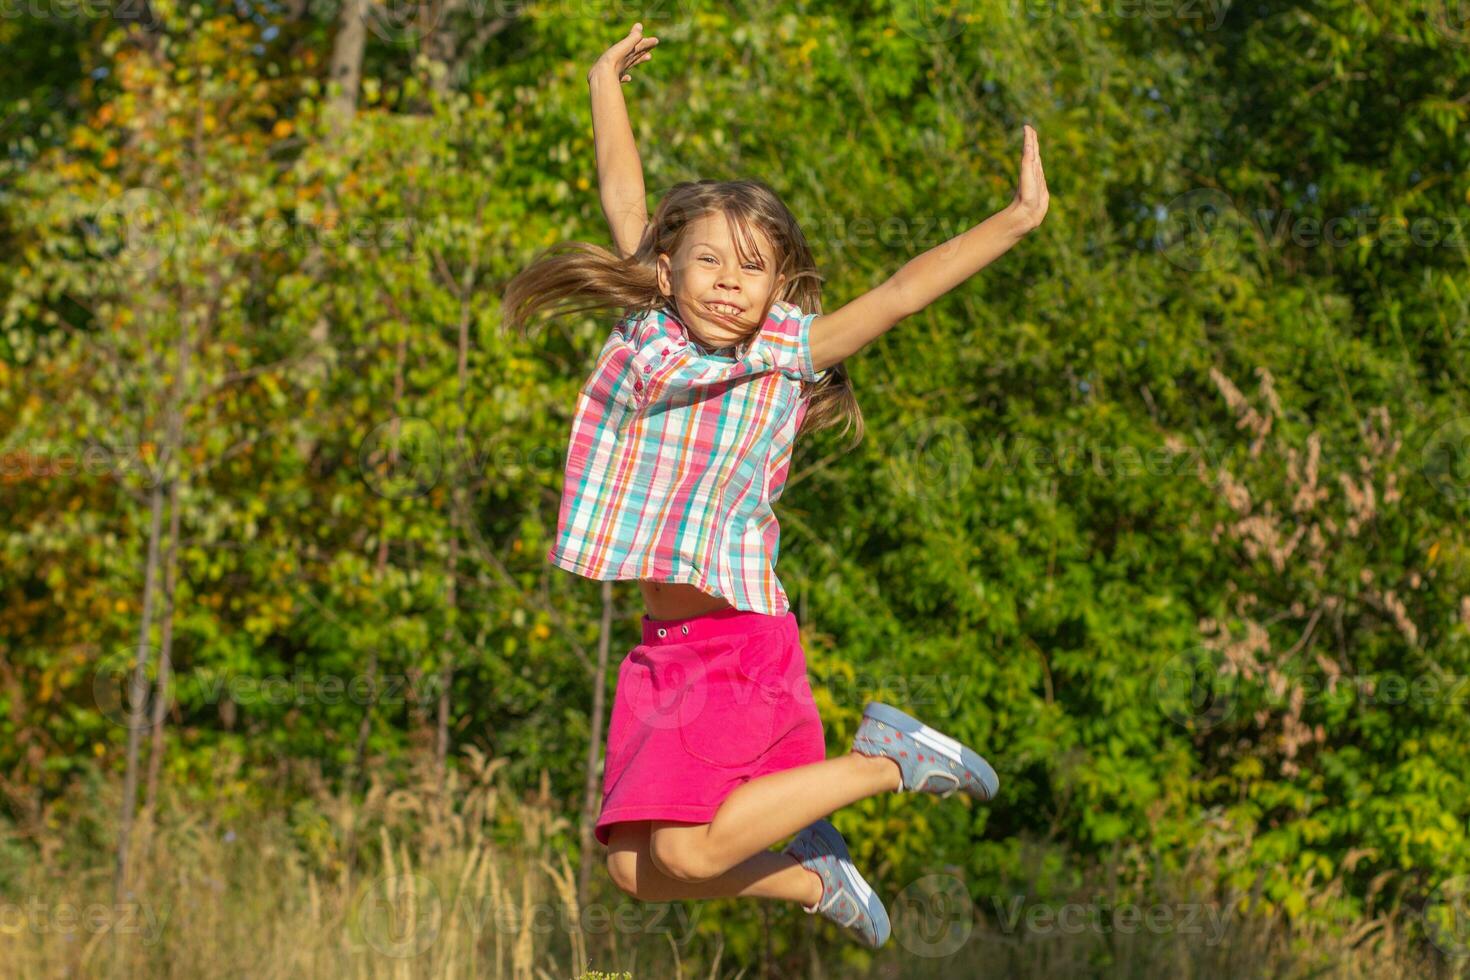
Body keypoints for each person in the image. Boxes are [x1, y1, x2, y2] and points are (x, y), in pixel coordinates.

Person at [500, 23, 1049, 949]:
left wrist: (1015, 220)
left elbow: (904, 293)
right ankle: (814, 872)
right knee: (636, 870)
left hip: (735, 643)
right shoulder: (653, 323)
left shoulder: (784, 355)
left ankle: (888, 763)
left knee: (698, 853)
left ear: (782, 285)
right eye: (708, 260)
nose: (726, 283)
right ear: (667, 266)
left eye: (753, 269)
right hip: (666, 646)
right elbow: (622, 186)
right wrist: (604, 80)